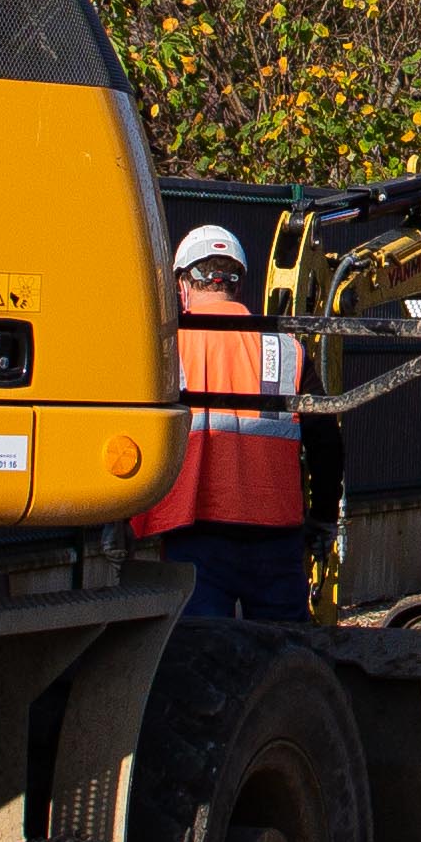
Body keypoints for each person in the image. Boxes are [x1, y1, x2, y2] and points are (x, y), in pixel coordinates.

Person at [134, 222, 310, 622]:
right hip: (277, 530)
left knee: (200, 658)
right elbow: (325, 441)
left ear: (183, 284)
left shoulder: (167, 347)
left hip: (196, 527)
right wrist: (322, 520)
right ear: (238, 283)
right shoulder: (287, 349)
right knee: (285, 658)